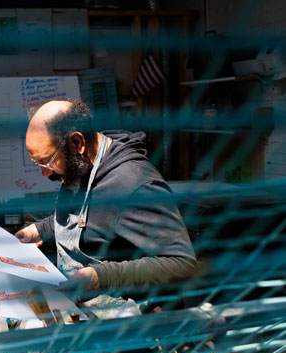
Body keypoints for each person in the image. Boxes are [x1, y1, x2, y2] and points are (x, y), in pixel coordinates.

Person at [15, 99, 195, 293]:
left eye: (47, 161)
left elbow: (182, 264)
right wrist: (40, 229)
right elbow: (91, 215)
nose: (45, 173)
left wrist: (103, 276)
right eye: (38, 163)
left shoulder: (133, 185)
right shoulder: (82, 163)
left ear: (77, 143)